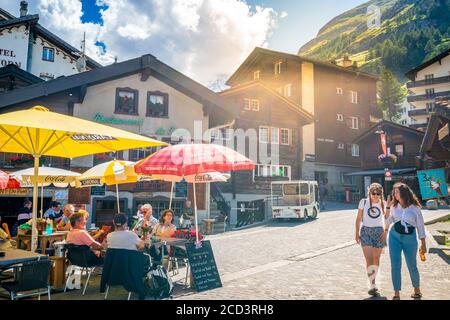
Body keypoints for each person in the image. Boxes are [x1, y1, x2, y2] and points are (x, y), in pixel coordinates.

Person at [383, 183, 426, 300]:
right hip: (394, 237)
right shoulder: (393, 207)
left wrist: (423, 244)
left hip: (410, 239)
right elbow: (387, 222)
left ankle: (417, 290)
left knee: (412, 265)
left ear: (404, 192)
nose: (395, 194)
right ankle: (396, 294)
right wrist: (387, 207)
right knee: (395, 265)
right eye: (394, 192)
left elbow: (421, 227)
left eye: (397, 192)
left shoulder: (415, 208)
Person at [355, 183, 388, 297]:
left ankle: (375, 278)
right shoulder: (363, 202)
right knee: (369, 259)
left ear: (381, 194)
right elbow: (358, 218)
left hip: (379, 233)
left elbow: (388, 219)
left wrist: (385, 232)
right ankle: (372, 284)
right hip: (365, 232)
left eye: (378, 193)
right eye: (373, 193)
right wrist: (356, 233)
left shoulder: (384, 204)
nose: (375, 195)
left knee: (376, 258)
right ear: (369, 193)